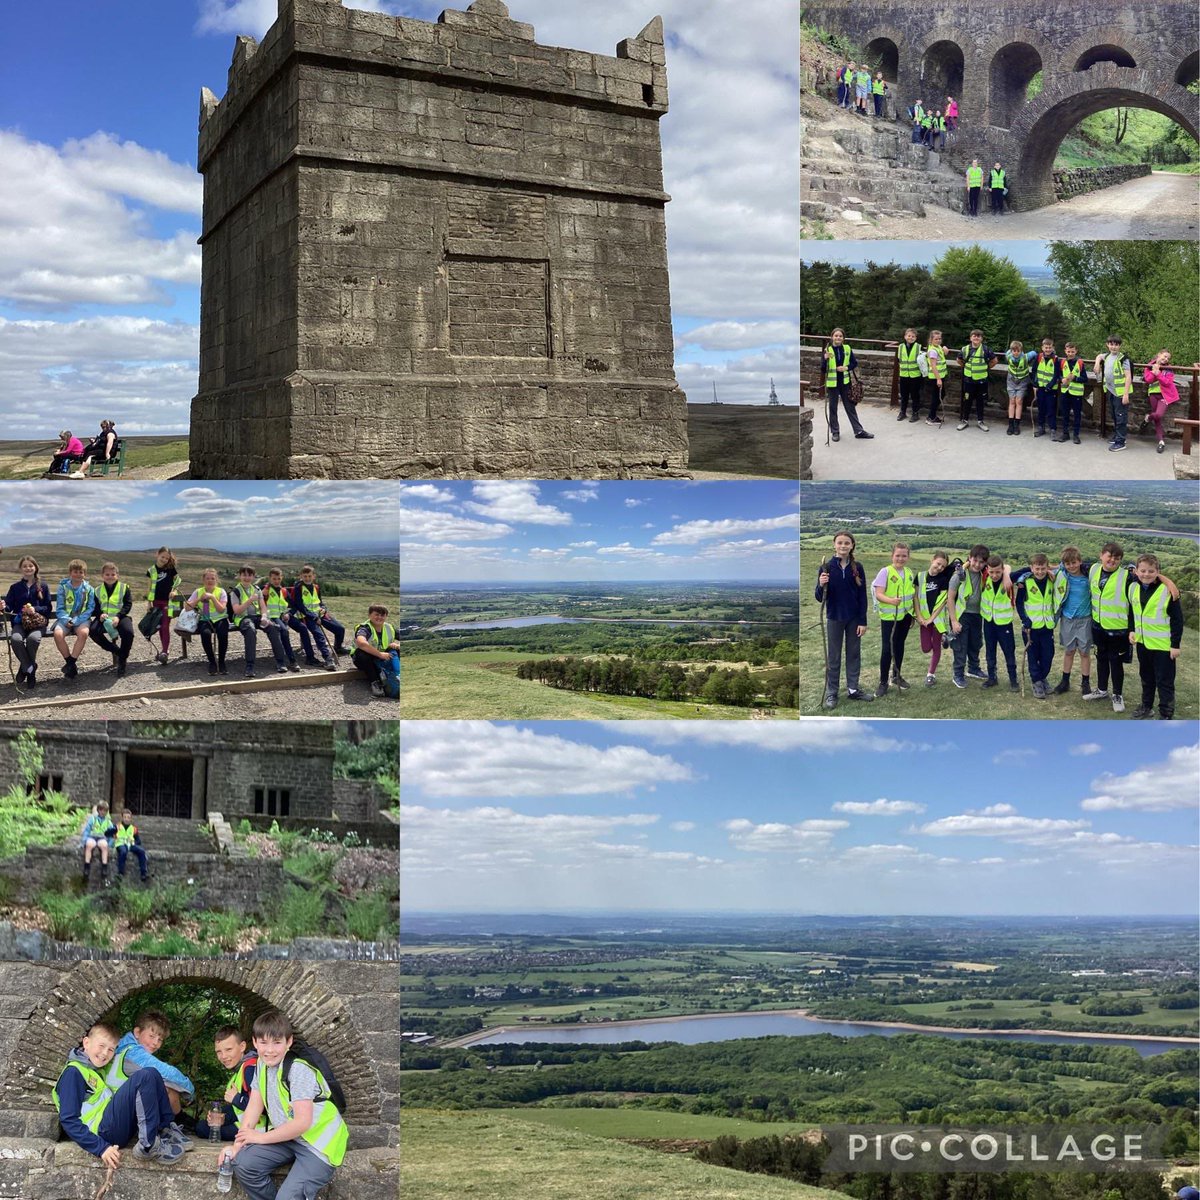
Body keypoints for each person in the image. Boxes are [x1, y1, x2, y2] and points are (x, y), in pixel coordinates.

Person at [227, 1010, 347, 1200]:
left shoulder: (298, 1069)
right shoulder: (261, 1065)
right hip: (288, 1137)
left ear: (288, 1042)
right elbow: (253, 1108)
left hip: (318, 1145)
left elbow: (302, 1123)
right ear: (255, 1042)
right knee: (243, 1163)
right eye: (264, 1042)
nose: (270, 1050)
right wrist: (237, 1145)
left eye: (277, 1042)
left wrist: (260, 1138)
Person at [53, 1020, 186, 1168]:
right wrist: (100, 1148)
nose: (105, 1053)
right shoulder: (74, 1072)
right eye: (101, 1046)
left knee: (152, 1073)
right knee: (144, 1076)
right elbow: (69, 1119)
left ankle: (165, 1130)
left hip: (114, 1126)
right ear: (86, 1042)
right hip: (101, 1134)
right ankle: (148, 1146)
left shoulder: (96, 1070)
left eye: (111, 1049)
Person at [814, 531, 873, 708]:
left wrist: (863, 621)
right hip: (834, 617)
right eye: (840, 543)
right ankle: (832, 693)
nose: (843, 546)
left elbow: (862, 596)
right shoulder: (826, 567)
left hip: (854, 618)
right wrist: (821, 584)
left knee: (853, 654)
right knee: (834, 656)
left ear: (852, 545)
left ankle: (853, 690)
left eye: (847, 543)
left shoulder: (858, 567)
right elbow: (819, 597)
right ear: (834, 545)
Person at [111, 1011, 196, 1124]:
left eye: (160, 1040)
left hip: (116, 1105)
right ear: (137, 1032)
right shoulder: (133, 1053)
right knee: (166, 1087)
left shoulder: (123, 1047)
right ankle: (178, 1120)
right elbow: (168, 1073)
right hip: (117, 1113)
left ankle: (175, 1120)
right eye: (151, 1036)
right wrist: (190, 1090)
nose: (156, 1043)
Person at [1128, 552, 1183, 720]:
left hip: (1163, 647)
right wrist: (1132, 630)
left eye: (1151, 571)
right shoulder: (1133, 587)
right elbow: (1133, 612)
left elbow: (1177, 620)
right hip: (1143, 644)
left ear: (1158, 572)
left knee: (1164, 682)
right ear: (1136, 571)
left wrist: (1175, 645)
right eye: (1143, 571)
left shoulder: (1168, 591)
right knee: (1146, 678)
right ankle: (1146, 707)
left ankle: (1166, 714)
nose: (1146, 574)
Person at [195, 1026, 264, 1143]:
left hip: (259, 1128)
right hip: (247, 1122)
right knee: (206, 1123)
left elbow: (262, 1107)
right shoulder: (241, 1068)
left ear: (242, 1046)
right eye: (219, 1052)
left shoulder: (250, 1068)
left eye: (228, 1050)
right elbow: (238, 1109)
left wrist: (236, 1098)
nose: (223, 1056)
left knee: (203, 1128)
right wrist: (223, 1117)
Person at [872, 541, 916, 698]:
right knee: (887, 649)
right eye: (898, 555)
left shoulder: (909, 572)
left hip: (905, 617)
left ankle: (896, 676)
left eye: (904, 556)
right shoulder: (885, 572)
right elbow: (879, 594)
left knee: (899, 646)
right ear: (892, 556)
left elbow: (911, 595)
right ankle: (883, 682)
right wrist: (891, 601)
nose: (900, 559)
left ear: (908, 557)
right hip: (890, 618)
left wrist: (912, 615)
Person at [2, 555, 52, 689]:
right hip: (19, 623)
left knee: (33, 639)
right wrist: (3, 606)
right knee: (16, 639)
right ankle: (30, 667)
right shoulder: (15, 587)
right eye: (25, 566)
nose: (28, 568)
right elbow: (8, 607)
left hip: (38, 623)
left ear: (35, 568)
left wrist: (35, 609)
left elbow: (48, 608)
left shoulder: (43, 586)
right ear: (21, 569)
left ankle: (25, 669)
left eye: (30, 565)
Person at [947, 545, 991, 688]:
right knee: (961, 646)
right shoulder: (959, 575)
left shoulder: (985, 573)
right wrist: (954, 621)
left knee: (975, 643)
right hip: (961, 615)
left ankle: (973, 669)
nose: (977, 564)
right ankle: (958, 674)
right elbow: (950, 599)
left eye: (981, 562)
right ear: (969, 558)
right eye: (975, 560)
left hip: (977, 615)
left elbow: (1004, 567)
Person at [1051, 546, 1092, 698]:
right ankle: (1065, 681)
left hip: (1085, 619)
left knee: (1084, 653)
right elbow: (1041, 569)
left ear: (1080, 561)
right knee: (1069, 651)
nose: (1071, 566)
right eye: (1067, 564)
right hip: (1067, 619)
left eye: (1074, 562)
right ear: (1064, 564)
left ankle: (1085, 682)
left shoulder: (1089, 578)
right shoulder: (1061, 575)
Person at [1015, 553, 1057, 699]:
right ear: (1031, 568)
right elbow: (1019, 603)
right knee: (1033, 656)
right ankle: (1037, 682)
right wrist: (1024, 619)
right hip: (1030, 628)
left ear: (1047, 567)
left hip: (1047, 626)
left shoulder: (1052, 580)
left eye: (1043, 568)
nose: (1040, 572)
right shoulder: (1025, 582)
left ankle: (1042, 677)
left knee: (1048, 655)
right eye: (1037, 569)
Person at [914, 552, 958, 686]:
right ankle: (945, 638)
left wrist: (932, 619)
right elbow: (915, 597)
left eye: (943, 566)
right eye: (938, 564)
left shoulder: (943, 580)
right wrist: (919, 617)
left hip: (937, 620)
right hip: (923, 619)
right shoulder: (920, 576)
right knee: (926, 648)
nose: (939, 568)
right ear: (932, 560)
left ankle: (930, 674)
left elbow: (943, 602)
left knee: (936, 648)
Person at [289, 565, 344, 670]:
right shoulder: (298, 588)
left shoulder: (316, 587)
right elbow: (300, 606)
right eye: (305, 576)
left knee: (340, 629)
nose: (307, 578)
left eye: (309, 576)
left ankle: (338, 647)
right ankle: (328, 659)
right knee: (319, 635)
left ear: (314, 576)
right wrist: (314, 617)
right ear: (301, 576)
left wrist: (324, 608)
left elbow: (320, 602)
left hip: (320, 614)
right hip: (307, 616)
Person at [823, 329, 872, 442]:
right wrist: (825, 359)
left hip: (845, 383)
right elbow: (823, 369)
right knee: (833, 408)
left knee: (850, 407)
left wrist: (846, 368)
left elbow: (854, 363)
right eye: (836, 336)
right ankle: (835, 432)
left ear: (843, 338)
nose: (838, 338)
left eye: (840, 336)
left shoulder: (847, 348)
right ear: (832, 337)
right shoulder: (827, 350)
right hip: (832, 384)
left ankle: (858, 431)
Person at [980, 555, 1019, 691]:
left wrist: (1007, 574)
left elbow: (1025, 570)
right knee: (990, 651)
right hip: (988, 622)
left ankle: (1013, 680)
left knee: (1009, 652)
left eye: (998, 572)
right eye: (991, 572)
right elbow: (969, 562)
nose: (994, 575)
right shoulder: (984, 576)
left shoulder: (1009, 578)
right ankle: (992, 678)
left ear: (1002, 569)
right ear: (987, 570)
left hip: (1004, 624)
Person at [89, 562, 134, 678]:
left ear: (117, 575)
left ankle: (122, 661)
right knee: (93, 631)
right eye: (107, 574)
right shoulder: (97, 590)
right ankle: (118, 652)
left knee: (128, 633)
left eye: (113, 574)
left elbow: (128, 604)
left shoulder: (124, 588)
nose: (110, 577)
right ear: (102, 575)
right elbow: (95, 607)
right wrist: (100, 614)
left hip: (120, 617)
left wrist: (118, 616)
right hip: (104, 618)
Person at [53, 559, 94, 680]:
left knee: (84, 633)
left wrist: (76, 621)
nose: (78, 574)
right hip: (65, 618)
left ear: (85, 574)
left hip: (82, 619)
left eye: (81, 572)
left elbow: (90, 608)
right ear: (70, 573)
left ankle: (70, 664)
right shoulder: (63, 587)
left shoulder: (89, 589)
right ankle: (70, 664)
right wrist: (66, 620)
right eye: (75, 572)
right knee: (58, 634)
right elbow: (60, 608)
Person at [1093, 336, 1134, 453]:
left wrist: (1125, 394)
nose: (1113, 347)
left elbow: (1128, 377)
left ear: (1120, 346)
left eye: (1116, 345)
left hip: (1120, 393)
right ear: (1107, 345)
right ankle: (1117, 436)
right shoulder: (1107, 356)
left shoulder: (1123, 359)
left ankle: (1121, 442)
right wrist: (1097, 363)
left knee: (1121, 417)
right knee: (1114, 415)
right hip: (1110, 391)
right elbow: (1099, 356)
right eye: (1111, 344)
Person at [186, 568, 230, 676]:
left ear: (216, 580)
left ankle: (221, 661)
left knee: (222, 634)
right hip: (205, 619)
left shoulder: (221, 591)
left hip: (220, 619)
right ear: (203, 580)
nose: (210, 581)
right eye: (207, 578)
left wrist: (213, 598)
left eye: (212, 578)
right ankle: (212, 662)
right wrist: (198, 599)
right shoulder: (198, 591)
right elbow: (187, 607)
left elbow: (221, 609)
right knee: (205, 634)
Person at [229, 566, 267, 679]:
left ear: (253, 577)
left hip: (257, 617)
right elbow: (237, 611)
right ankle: (250, 665)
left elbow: (263, 607)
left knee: (273, 627)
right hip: (243, 618)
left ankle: (281, 662)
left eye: (249, 575)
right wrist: (250, 600)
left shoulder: (256, 589)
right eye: (244, 575)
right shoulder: (235, 591)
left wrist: (264, 616)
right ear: (239, 576)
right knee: (250, 630)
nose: (247, 578)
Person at [145, 547, 182, 665]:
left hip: (169, 602)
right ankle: (163, 650)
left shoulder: (171, 569)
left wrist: (174, 591)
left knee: (165, 625)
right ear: (157, 554)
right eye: (163, 557)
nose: (164, 559)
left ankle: (165, 651)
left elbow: (178, 581)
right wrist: (149, 603)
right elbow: (149, 588)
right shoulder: (151, 570)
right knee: (160, 626)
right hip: (156, 602)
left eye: (167, 558)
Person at [353, 605, 400, 698]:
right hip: (366, 659)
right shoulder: (365, 628)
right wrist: (380, 654)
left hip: (382, 657)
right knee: (361, 654)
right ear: (369, 615)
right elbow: (361, 643)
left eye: (382, 615)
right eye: (377, 614)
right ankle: (375, 682)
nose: (379, 617)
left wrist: (398, 645)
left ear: (386, 616)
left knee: (397, 649)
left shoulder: (389, 628)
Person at [262, 568, 302, 673]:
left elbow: (293, 605)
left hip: (282, 617)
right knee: (283, 631)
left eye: (279, 578)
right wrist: (264, 594)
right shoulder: (265, 590)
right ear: (269, 578)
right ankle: (286, 662)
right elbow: (260, 603)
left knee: (289, 631)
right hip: (270, 617)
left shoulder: (283, 591)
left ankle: (290, 661)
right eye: (274, 579)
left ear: (282, 578)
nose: (276, 581)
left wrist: (289, 613)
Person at [956, 329, 996, 432]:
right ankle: (964, 420)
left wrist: (986, 367)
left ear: (982, 339)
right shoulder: (965, 349)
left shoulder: (986, 349)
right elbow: (959, 360)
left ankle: (980, 421)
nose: (976, 337)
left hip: (981, 381)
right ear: (970, 338)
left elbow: (994, 360)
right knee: (967, 400)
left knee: (980, 401)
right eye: (974, 335)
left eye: (979, 336)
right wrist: (966, 367)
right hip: (968, 380)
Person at [1141, 348, 1179, 453]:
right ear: (1159, 355)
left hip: (1164, 396)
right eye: (1165, 356)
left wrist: (1158, 373)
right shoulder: (1149, 366)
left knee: (1158, 415)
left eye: (1168, 358)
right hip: (1153, 394)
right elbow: (1148, 380)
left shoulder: (1169, 369)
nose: (1166, 359)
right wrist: (1154, 371)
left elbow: (1167, 382)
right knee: (1157, 419)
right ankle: (1161, 442)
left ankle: (1148, 418)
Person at [1056, 342, 1089, 445]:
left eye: (1072, 352)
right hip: (1065, 391)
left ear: (1076, 351)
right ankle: (1065, 433)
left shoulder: (1080, 363)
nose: (1070, 354)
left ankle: (1076, 435)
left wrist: (1074, 378)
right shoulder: (1062, 362)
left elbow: (1085, 378)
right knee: (1065, 413)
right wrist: (1062, 379)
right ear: (1065, 351)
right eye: (1068, 351)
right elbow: (1058, 375)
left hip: (1076, 393)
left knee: (1077, 414)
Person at [1032, 338, 1062, 438]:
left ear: (1053, 348)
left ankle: (1053, 429)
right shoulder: (1039, 357)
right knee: (1041, 409)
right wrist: (1035, 383)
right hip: (1040, 387)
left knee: (1051, 410)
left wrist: (1050, 385)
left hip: (1051, 389)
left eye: (1050, 347)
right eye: (1046, 347)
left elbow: (1057, 375)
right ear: (1042, 348)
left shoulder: (1056, 359)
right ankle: (1041, 427)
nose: (1048, 349)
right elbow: (1034, 371)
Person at [80, 802, 115, 885]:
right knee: (89, 844)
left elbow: (111, 834)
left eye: (105, 811)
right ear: (98, 810)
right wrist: (84, 840)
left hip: (102, 838)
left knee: (104, 845)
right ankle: (87, 867)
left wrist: (110, 843)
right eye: (101, 810)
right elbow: (87, 830)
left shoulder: (108, 822)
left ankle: (104, 867)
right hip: (92, 837)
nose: (103, 812)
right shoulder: (93, 819)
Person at [1004, 340, 1034, 435]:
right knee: (1012, 401)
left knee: (1019, 401)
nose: (1016, 353)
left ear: (1021, 350)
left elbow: (1034, 353)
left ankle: (1017, 424)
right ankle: (1010, 424)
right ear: (1011, 351)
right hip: (1011, 380)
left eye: (1018, 351)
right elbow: (1007, 352)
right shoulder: (1008, 355)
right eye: (1014, 351)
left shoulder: (1026, 357)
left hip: (1022, 380)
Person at [114, 808, 150, 882]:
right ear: (122, 818)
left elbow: (138, 841)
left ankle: (144, 873)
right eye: (125, 817)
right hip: (120, 844)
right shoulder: (117, 827)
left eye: (128, 817)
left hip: (130, 845)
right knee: (123, 852)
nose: (126, 819)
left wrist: (133, 842)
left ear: (131, 819)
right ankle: (120, 873)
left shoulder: (134, 829)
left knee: (141, 851)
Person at [896, 328, 923, 422]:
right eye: (909, 336)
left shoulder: (919, 347)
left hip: (915, 375)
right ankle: (902, 412)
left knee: (915, 396)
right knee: (904, 395)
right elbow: (899, 360)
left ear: (916, 338)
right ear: (905, 336)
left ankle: (915, 413)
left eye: (913, 336)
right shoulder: (900, 347)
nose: (910, 338)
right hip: (904, 375)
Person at [924, 329, 946, 425]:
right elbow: (933, 366)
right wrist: (938, 379)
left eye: (940, 339)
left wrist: (945, 349)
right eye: (936, 339)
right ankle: (931, 417)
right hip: (936, 377)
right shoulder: (933, 350)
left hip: (939, 376)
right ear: (931, 340)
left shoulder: (937, 347)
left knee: (939, 395)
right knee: (936, 397)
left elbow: (943, 355)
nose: (938, 340)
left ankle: (932, 416)